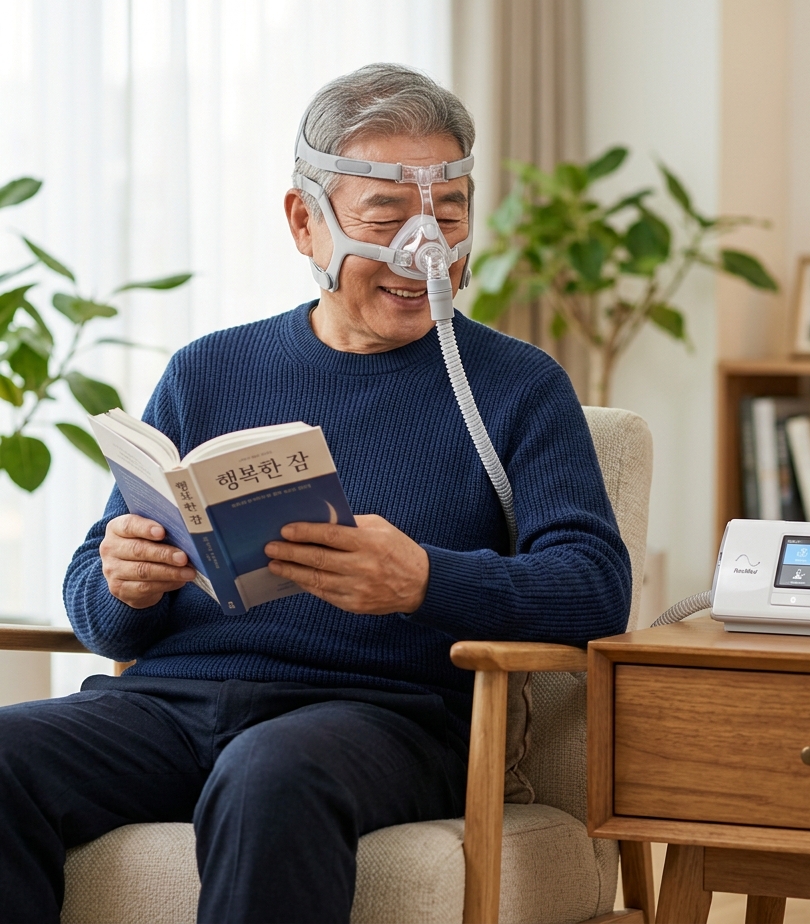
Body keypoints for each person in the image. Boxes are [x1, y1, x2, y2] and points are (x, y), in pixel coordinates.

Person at [0, 64, 631, 924]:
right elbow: (99, 614)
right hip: (170, 707)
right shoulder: (207, 371)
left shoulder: (518, 386)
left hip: (384, 721)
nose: (424, 247)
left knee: (270, 772)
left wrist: (426, 581)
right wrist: (122, 581)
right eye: (386, 215)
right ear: (305, 221)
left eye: (447, 214)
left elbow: (596, 587)